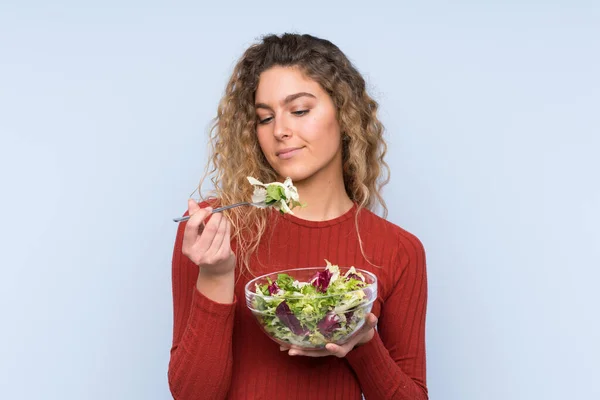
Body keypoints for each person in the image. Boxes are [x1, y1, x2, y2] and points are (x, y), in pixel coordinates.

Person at [168, 33, 428, 400]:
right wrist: (215, 275)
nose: (280, 131)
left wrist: (364, 343)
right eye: (264, 118)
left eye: (300, 110)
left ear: (345, 113)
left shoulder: (399, 250)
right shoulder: (215, 229)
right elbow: (193, 395)